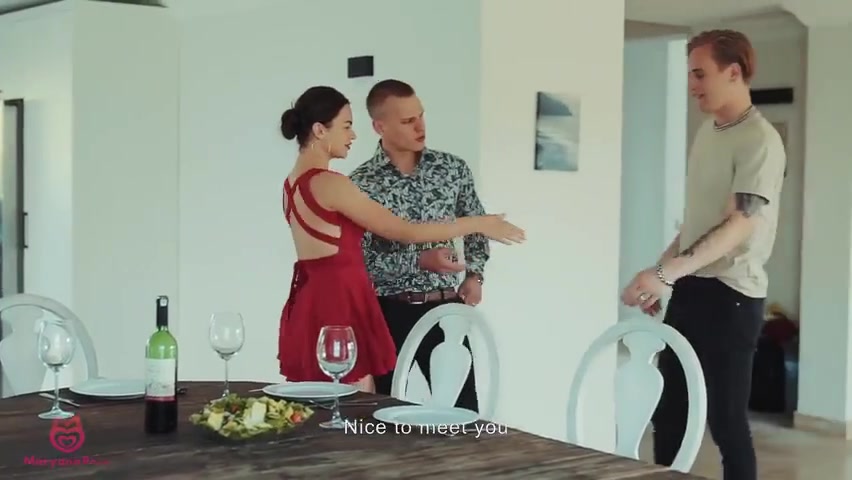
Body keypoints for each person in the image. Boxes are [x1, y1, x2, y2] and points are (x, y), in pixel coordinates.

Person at [277, 86, 525, 394]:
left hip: (318, 298)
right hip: (347, 302)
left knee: (339, 401)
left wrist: (475, 272)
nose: (352, 135)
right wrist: (480, 223)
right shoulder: (335, 184)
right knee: (359, 404)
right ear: (319, 130)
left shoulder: (292, 183)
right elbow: (405, 231)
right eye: (346, 126)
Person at [621, 30, 785, 480]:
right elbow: (696, 226)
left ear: (733, 72)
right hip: (693, 288)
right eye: (690, 75)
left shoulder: (760, 140)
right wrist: (660, 273)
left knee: (727, 423)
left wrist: (667, 274)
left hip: (732, 297)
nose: (692, 85)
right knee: (670, 413)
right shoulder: (708, 133)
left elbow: (739, 223)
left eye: (700, 74)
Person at [349, 79, 490, 412]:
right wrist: (419, 261)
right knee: (381, 410)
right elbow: (360, 261)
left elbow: (476, 224)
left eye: (421, 116)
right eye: (407, 120)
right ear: (380, 126)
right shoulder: (359, 184)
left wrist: (475, 275)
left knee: (461, 412)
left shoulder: (452, 170)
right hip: (386, 311)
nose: (420, 126)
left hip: (444, 310)